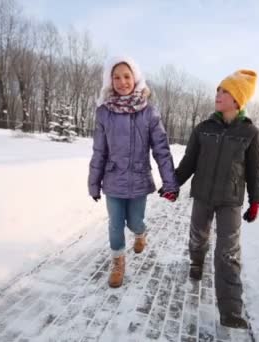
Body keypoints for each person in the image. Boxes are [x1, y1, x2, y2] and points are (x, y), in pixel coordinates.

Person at [174, 69, 259, 329]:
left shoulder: (251, 134)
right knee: (198, 236)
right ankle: (196, 262)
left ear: (238, 99)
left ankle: (231, 311)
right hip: (202, 194)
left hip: (231, 200)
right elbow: (188, 162)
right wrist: (173, 184)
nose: (218, 95)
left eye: (225, 91)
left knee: (228, 252)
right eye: (218, 90)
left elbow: (255, 171)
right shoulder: (203, 129)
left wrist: (255, 200)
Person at [88, 56, 179, 288]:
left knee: (135, 221)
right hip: (113, 179)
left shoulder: (149, 112)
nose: (122, 82)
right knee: (115, 224)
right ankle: (118, 261)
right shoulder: (104, 112)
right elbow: (99, 150)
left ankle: (141, 233)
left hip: (139, 179)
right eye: (116, 77)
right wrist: (94, 182)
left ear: (135, 78)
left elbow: (161, 149)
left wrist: (170, 182)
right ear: (110, 81)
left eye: (126, 76)